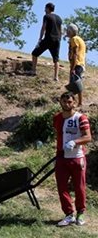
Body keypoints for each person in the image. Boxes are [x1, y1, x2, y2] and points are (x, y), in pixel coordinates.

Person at [53, 92, 91, 227]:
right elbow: (58, 135)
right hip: (61, 158)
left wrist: (75, 142)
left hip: (77, 158)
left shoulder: (81, 118)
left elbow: (88, 137)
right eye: (64, 101)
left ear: (74, 102)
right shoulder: (57, 118)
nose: (67, 104)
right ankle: (69, 215)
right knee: (62, 187)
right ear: (60, 102)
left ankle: (80, 214)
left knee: (79, 187)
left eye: (69, 102)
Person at [31, 2, 63, 80]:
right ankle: (56, 77)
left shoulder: (46, 16)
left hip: (48, 39)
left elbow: (43, 28)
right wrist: (59, 38)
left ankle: (33, 71)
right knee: (56, 59)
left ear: (48, 8)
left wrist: (40, 39)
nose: (44, 10)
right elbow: (61, 30)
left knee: (34, 53)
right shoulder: (59, 18)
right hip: (57, 40)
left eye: (45, 8)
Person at [66, 24, 86, 106]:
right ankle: (79, 103)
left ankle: (71, 103)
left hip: (77, 65)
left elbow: (75, 53)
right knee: (78, 84)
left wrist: (72, 68)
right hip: (81, 64)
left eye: (67, 30)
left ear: (71, 31)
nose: (66, 32)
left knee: (74, 85)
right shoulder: (80, 39)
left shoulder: (74, 39)